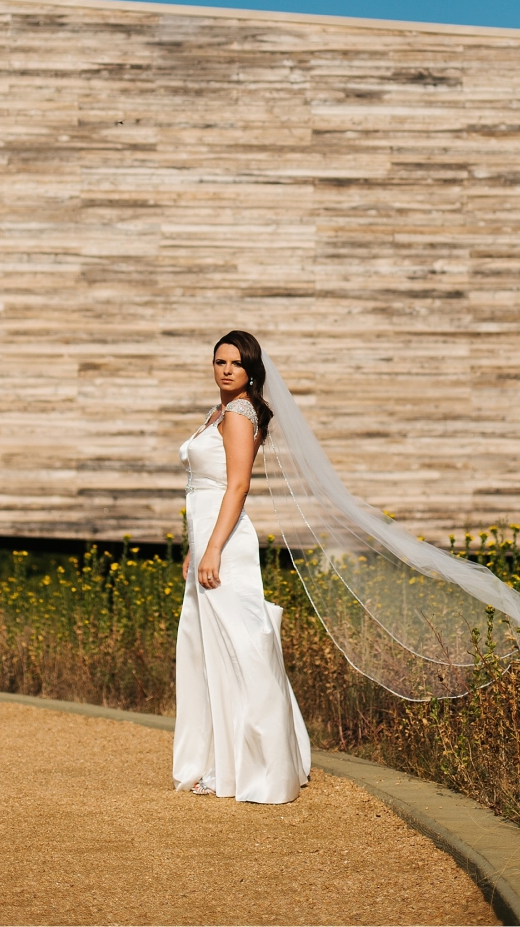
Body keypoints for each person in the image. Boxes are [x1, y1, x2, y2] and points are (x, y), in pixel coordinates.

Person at [173, 330, 310, 804]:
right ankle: (222, 758)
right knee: (211, 647)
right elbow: (202, 489)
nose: (226, 369)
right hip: (210, 537)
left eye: (236, 362)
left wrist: (213, 549)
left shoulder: (238, 412)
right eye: (219, 361)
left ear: (251, 369)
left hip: (226, 542)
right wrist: (196, 547)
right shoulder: (219, 412)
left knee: (237, 646)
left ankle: (256, 765)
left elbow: (236, 487)